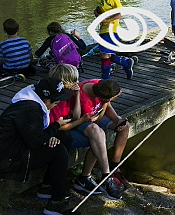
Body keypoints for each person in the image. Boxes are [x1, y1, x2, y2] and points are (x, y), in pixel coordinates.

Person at [0, 78, 78, 215]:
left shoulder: (32, 102)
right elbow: (35, 142)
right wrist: (56, 125)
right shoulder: (30, 110)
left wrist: (53, 131)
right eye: (56, 102)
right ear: (46, 100)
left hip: (15, 148)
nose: (57, 105)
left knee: (64, 138)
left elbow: (35, 135)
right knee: (58, 150)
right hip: (2, 160)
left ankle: (46, 187)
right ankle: (56, 203)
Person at [48, 64, 124, 199]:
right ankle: (103, 177)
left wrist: (76, 94)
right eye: (73, 81)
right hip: (56, 135)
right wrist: (82, 120)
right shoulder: (54, 101)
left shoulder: (68, 95)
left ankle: (104, 175)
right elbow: (56, 128)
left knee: (98, 133)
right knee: (97, 135)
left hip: (70, 125)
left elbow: (76, 117)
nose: (77, 83)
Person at [90, 0, 136, 80]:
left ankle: (105, 80)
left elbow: (121, 13)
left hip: (111, 28)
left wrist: (106, 20)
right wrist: (96, 12)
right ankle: (126, 62)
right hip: (103, 28)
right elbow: (100, 8)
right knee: (107, 54)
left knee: (104, 55)